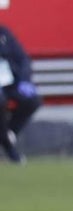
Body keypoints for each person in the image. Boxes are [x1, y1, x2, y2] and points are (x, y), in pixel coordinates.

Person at [0, 23, 43, 164]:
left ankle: (8, 135)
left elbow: (22, 58)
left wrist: (25, 80)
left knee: (33, 100)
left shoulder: (4, 33)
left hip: (10, 83)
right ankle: (8, 145)